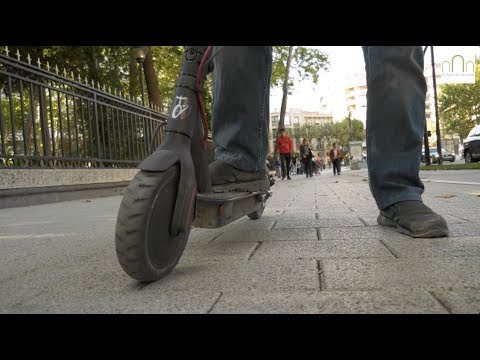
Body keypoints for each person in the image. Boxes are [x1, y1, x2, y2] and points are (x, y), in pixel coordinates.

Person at [208, 46, 449, 238]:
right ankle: (240, 161)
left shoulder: (299, 143)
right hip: (288, 154)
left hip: (302, 156)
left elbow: (291, 148)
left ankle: (399, 189)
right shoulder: (285, 139)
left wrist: (301, 154)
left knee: (395, 51)